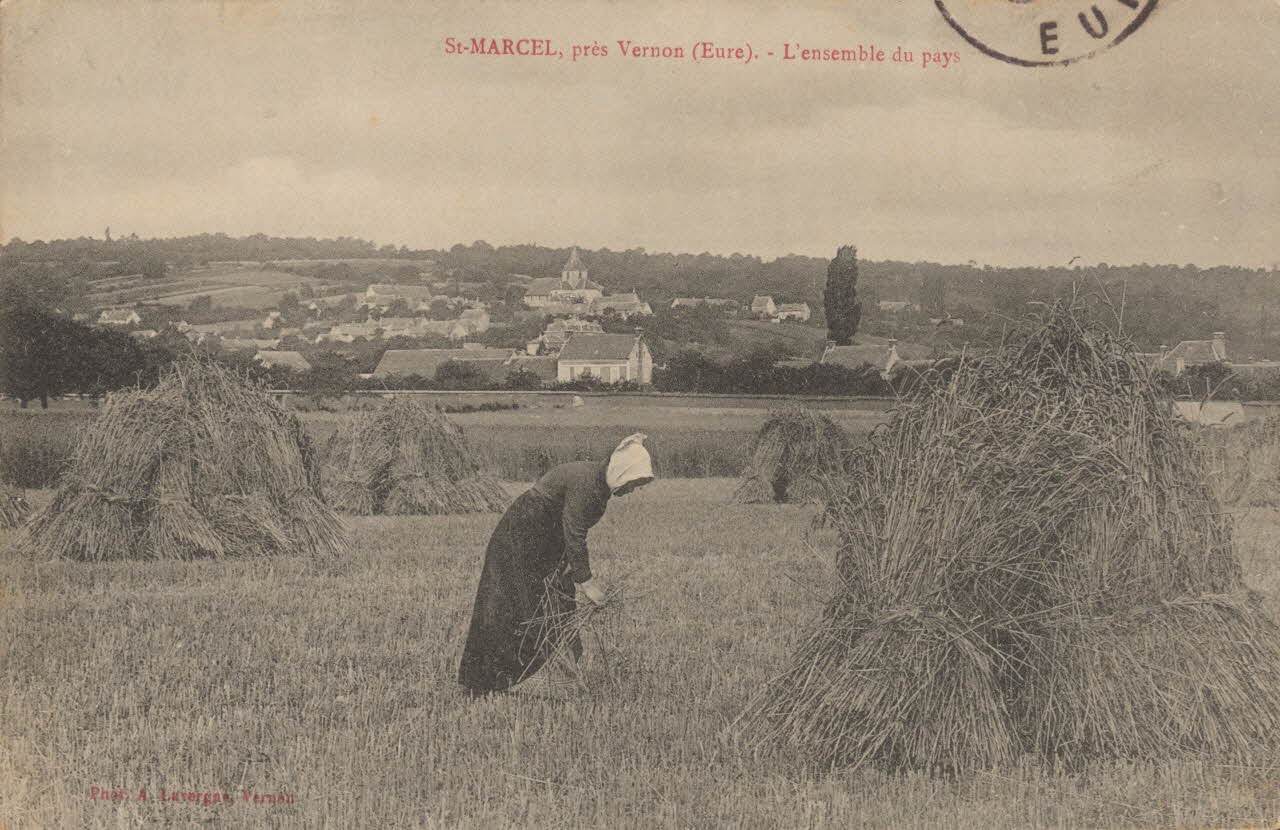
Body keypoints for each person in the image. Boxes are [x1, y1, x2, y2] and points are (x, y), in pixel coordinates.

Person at [458, 433, 655, 697]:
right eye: (632, 483)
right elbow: (574, 533)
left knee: (558, 605)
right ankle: (490, 681)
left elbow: (563, 530)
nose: (632, 490)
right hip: (520, 538)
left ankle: (545, 677)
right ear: (622, 471)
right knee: (518, 605)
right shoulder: (588, 484)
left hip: (542, 542)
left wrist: (565, 568)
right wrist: (587, 583)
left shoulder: (597, 484)